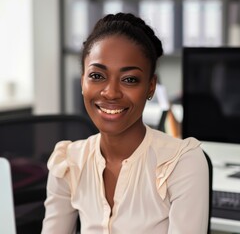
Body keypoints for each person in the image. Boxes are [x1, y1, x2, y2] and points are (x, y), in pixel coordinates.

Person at [41, 13, 209, 234]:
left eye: (129, 79)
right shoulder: (68, 163)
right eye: (97, 76)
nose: (110, 92)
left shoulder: (180, 163)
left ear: (150, 87)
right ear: (82, 81)